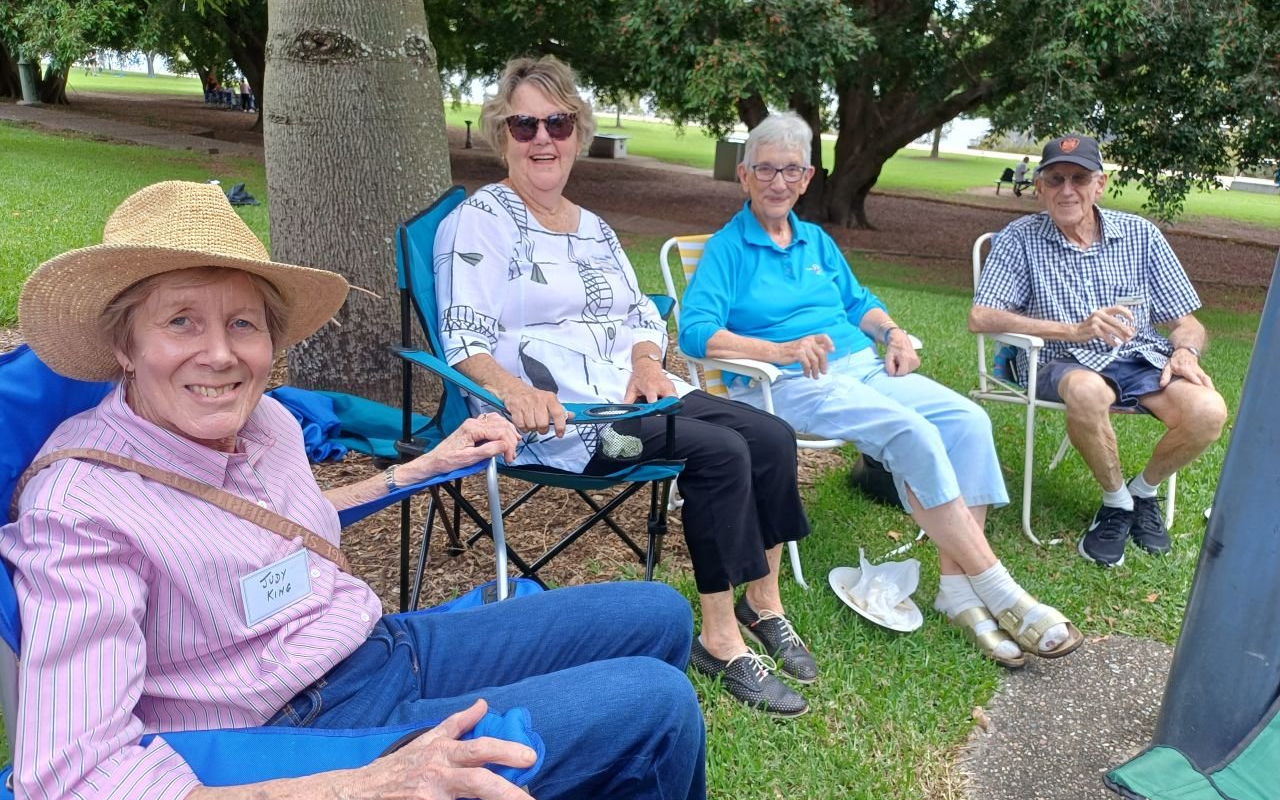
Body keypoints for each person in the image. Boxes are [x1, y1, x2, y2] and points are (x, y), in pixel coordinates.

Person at [2, 181, 708, 800]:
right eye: (181, 320)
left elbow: (276, 531)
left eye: (242, 323)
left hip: (374, 648)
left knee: (658, 616)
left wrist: (419, 469)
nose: (219, 354)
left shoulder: (264, 420)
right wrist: (354, 793)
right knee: (655, 709)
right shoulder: (80, 509)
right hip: (297, 736)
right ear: (124, 344)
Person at [435, 57, 816, 718]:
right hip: (572, 423)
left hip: (636, 389)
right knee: (722, 454)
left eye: (556, 122)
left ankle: (764, 604)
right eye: (525, 125)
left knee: (773, 437)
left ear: (577, 133)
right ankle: (720, 640)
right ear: (503, 136)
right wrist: (512, 392)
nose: (542, 138)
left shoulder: (593, 227)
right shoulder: (480, 221)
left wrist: (647, 361)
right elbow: (462, 334)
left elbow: (641, 312)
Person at [678, 111, 1082, 670]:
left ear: (807, 177)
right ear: (744, 176)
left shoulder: (815, 240)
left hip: (861, 369)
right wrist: (780, 350)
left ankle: (956, 590)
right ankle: (1001, 591)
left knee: (968, 421)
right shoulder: (729, 249)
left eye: (789, 170)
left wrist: (891, 333)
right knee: (909, 432)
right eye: (764, 169)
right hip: (790, 385)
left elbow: (858, 301)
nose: (776, 182)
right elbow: (695, 332)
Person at [970, 134, 1228, 567]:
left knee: (1209, 410)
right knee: (1090, 391)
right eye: (1055, 179)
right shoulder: (1019, 239)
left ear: (1100, 184)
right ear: (1039, 187)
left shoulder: (1140, 235)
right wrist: (1072, 330)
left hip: (1139, 358)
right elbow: (982, 316)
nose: (1067, 190)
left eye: (1079, 178)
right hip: (1057, 359)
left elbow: (1187, 321)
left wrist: (1186, 352)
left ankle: (1141, 492)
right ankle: (1114, 506)